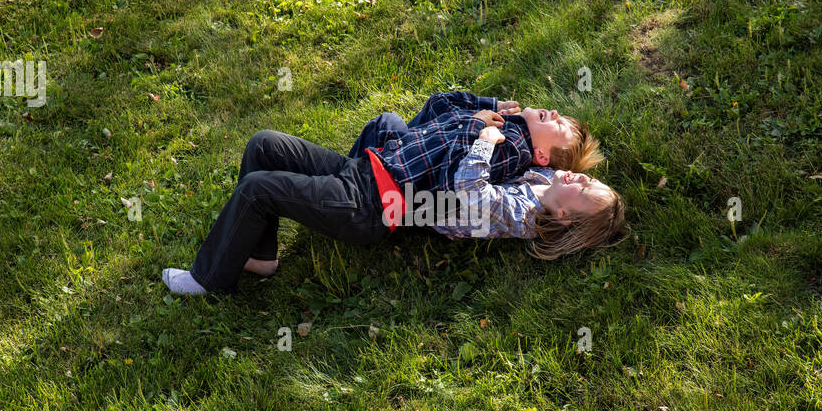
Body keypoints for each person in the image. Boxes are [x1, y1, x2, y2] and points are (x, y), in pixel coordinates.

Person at [161, 112, 626, 296]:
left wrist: (485, 141)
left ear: (564, 216)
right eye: (586, 177)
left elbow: (469, 195)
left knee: (259, 187)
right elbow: (553, 158)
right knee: (263, 144)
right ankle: (260, 257)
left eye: (584, 188)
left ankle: (210, 279)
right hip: (368, 171)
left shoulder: (520, 213)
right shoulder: (543, 181)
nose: (578, 178)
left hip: (371, 205)